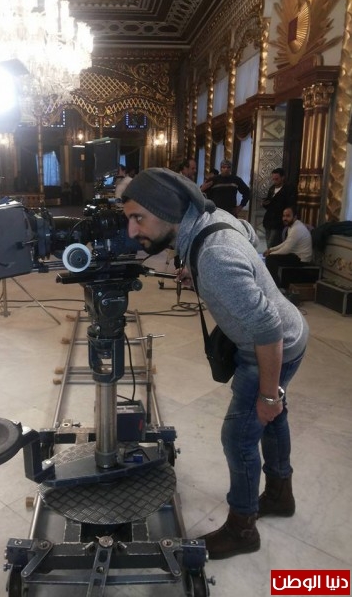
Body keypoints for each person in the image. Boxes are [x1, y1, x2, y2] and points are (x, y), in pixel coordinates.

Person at [122, 167, 308, 560]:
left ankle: (242, 529)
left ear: (168, 211)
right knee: (273, 420)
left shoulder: (215, 256)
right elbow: (248, 235)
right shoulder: (211, 218)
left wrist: (268, 395)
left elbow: (267, 329)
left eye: (138, 217)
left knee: (239, 436)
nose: (131, 230)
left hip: (270, 346)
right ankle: (280, 495)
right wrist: (203, 269)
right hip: (292, 334)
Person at [264, 205, 313, 287]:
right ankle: (274, 284)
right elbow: (285, 243)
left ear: (295, 217)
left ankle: (276, 286)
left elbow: (286, 250)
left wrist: (271, 254)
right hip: (295, 256)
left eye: (288, 216)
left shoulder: (297, 229)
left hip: (301, 259)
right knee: (271, 257)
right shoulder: (292, 226)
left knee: (270, 259)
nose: (285, 218)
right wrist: (271, 249)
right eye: (284, 216)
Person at [262, 168, 297, 248]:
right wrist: (265, 203)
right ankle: (269, 254)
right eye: (273, 179)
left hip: (279, 220)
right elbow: (269, 202)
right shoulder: (272, 189)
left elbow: (290, 204)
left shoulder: (288, 189)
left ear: (282, 178)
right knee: (268, 242)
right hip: (268, 220)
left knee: (272, 243)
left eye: (277, 179)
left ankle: (270, 254)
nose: (274, 181)